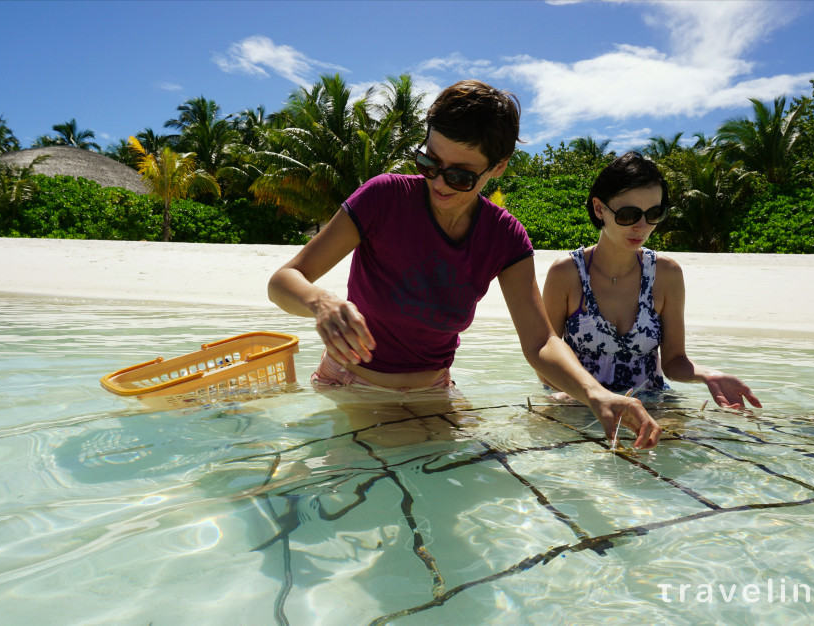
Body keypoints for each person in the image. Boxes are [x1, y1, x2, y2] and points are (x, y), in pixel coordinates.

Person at [268, 80, 661, 449]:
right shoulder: (382, 199)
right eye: (429, 161)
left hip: (434, 391)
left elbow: (541, 342)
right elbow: (284, 280)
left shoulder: (505, 237)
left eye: (460, 175)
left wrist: (596, 393)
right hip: (349, 386)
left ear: (498, 168)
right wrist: (319, 301)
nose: (439, 182)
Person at [541, 151, 762, 409]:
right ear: (599, 208)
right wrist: (570, 397)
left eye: (654, 213)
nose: (642, 226)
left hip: (652, 403)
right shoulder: (566, 274)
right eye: (628, 214)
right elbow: (544, 355)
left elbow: (674, 361)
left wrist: (707, 375)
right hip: (580, 404)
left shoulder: (666, 274)